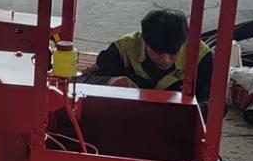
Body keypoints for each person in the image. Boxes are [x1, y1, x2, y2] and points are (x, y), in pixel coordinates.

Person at [81, 9, 214, 113]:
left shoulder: (201, 57)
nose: (165, 59)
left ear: (184, 42)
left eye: (173, 53)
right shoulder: (123, 48)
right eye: (158, 52)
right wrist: (111, 81)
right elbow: (88, 80)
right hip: (127, 114)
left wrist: (180, 112)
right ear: (144, 40)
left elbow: (213, 105)